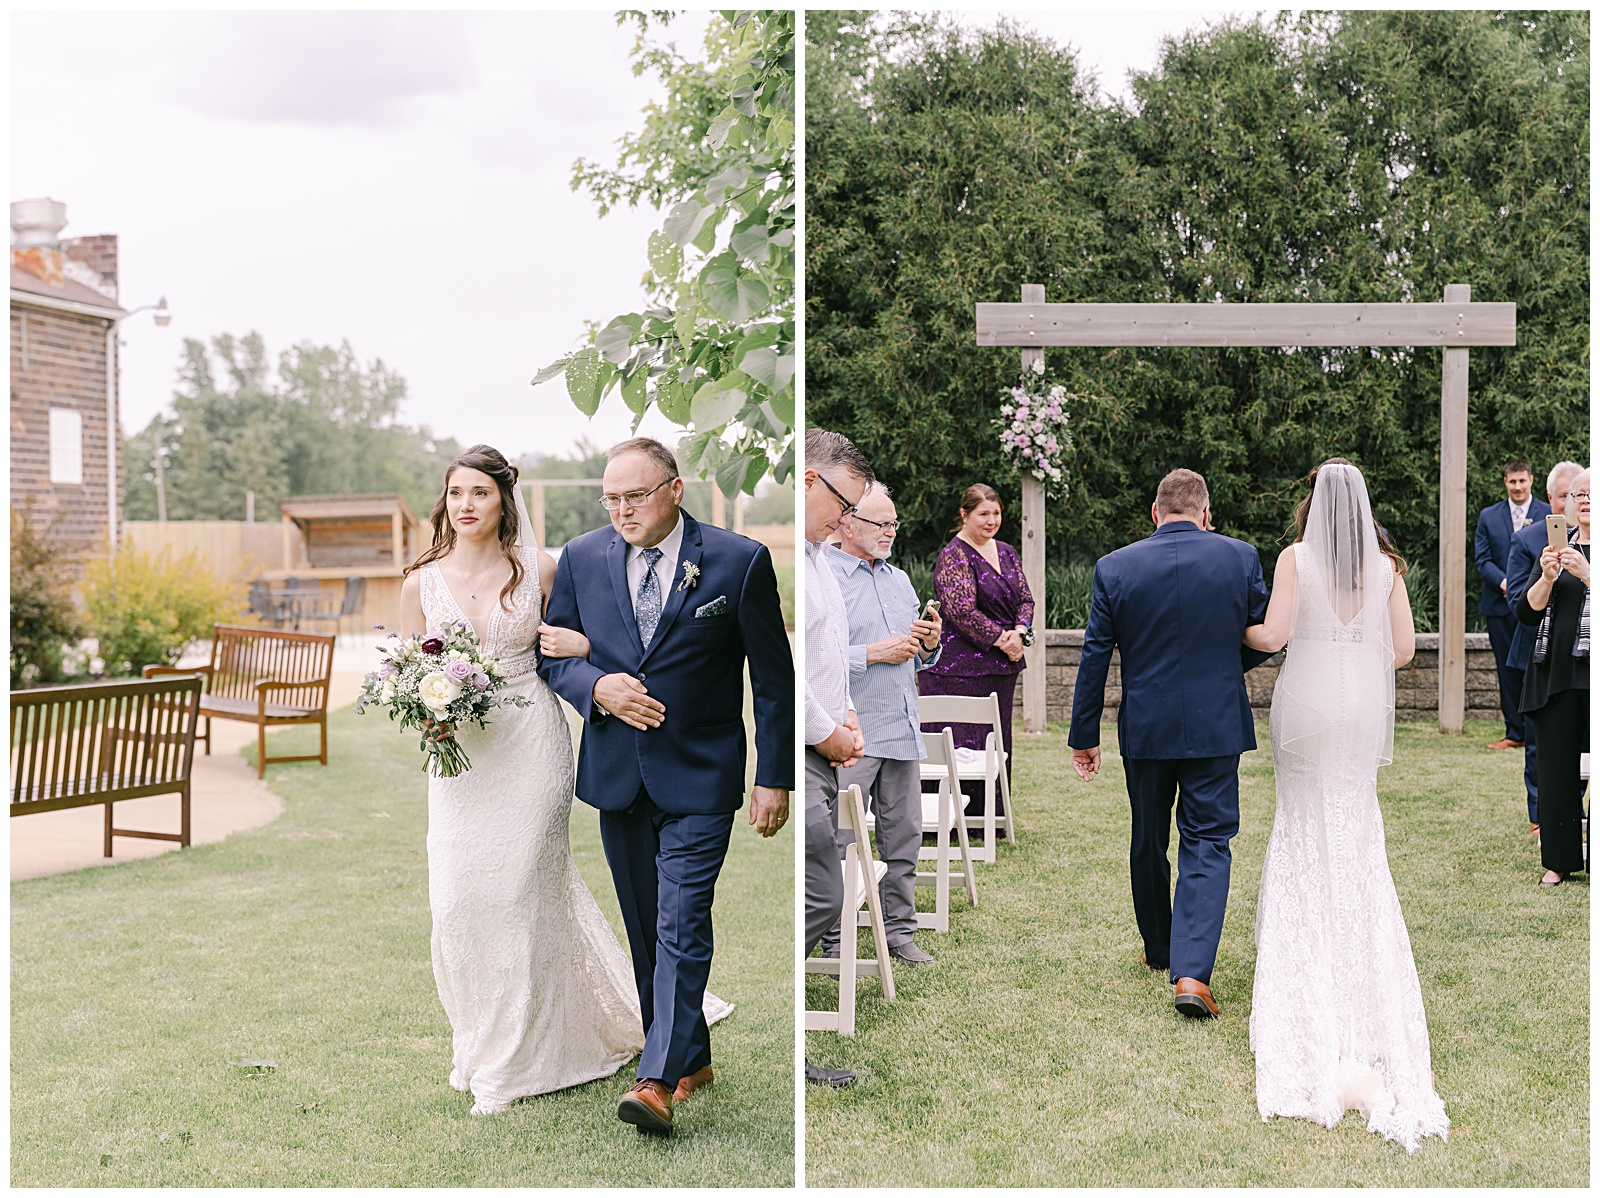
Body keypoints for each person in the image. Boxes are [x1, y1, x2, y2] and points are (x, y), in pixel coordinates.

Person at [537, 437, 793, 1134]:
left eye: (636, 496)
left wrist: (774, 777)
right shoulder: (583, 558)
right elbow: (552, 652)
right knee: (647, 928)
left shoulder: (739, 562)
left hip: (703, 774)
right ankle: (693, 1056)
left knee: (682, 920)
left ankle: (655, 1079)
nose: (621, 510)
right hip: (618, 774)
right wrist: (598, 687)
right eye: (611, 498)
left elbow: (773, 679)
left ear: (674, 491)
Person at [398, 445, 657, 1116]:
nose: (466, 505)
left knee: (517, 896)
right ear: (444, 501)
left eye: (479, 493)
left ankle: (513, 1065)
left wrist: (583, 648)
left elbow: (602, 638)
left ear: (503, 500)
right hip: (459, 758)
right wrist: (425, 712)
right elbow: (403, 671)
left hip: (531, 744)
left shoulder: (539, 569)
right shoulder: (419, 583)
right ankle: (479, 1044)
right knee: (457, 903)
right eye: (456, 493)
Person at [1242, 458, 1448, 1154]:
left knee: (1301, 823)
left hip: (1303, 705)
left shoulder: (1296, 557)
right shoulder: (1387, 567)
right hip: (1360, 708)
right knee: (1354, 823)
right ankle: (1358, 946)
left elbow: (1271, 637)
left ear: (1315, 501)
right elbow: (1404, 649)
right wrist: (1354, 659)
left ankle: (1306, 949)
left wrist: (1235, 631)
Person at [1068, 468, 1271, 1019]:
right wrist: (1226, 669)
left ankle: (1159, 949)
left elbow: (1095, 655)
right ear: (1206, 514)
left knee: (1148, 835)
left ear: (1155, 514)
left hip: (1147, 727)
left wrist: (1084, 735)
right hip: (1215, 726)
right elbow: (1265, 633)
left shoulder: (1115, 567)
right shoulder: (1240, 557)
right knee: (1206, 840)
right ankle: (1192, 973)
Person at [821, 484, 944, 967]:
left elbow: (917, 658)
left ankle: (899, 932)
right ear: (847, 523)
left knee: (905, 839)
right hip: (853, 734)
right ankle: (835, 938)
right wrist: (872, 654)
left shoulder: (900, 580)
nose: (891, 531)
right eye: (881, 523)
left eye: (894, 523)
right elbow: (816, 659)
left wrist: (929, 643)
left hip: (903, 727)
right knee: (840, 841)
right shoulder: (825, 577)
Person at [802, 428, 874, 1087]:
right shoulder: (791, 566)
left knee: (823, 894)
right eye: (842, 503)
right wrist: (827, 733)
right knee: (822, 894)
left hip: (825, 748)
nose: (845, 519)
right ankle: (790, 1051)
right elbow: (789, 672)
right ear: (806, 480)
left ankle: (793, 1051)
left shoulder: (820, 559)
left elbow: (830, 658)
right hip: (803, 753)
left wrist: (847, 713)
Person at [917, 484, 1034, 831]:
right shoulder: (954, 555)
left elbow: (1026, 598)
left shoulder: (1008, 552)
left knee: (995, 739)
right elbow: (961, 610)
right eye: (983, 513)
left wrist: (1020, 632)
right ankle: (953, 821)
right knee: (960, 742)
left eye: (996, 513)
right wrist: (1000, 638)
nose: (991, 520)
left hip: (1002, 667)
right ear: (965, 515)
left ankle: (992, 818)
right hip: (958, 670)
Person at [1516, 467, 1590, 887]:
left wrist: (1587, 574)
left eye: (1591, 494)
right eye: (1577, 494)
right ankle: (1558, 861)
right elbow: (1526, 612)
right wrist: (1547, 577)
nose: (1583, 500)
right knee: (1556, 770)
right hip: (1556, 674)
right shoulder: (1556, 550)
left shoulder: (1582, 560)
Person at [1475, 458, 1550, 751]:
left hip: (1538, 604)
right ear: (1505, 482)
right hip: (1499, 604)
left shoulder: (1548, 513)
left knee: (1537, 666)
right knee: (1506, 670)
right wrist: (1506, 584)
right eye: (1512, 481)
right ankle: (1514, 732)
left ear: (1531, 480)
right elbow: (1482, 559)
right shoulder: (1488, 516)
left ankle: (1539, 726)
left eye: (1522, 480)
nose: (1517, 486)